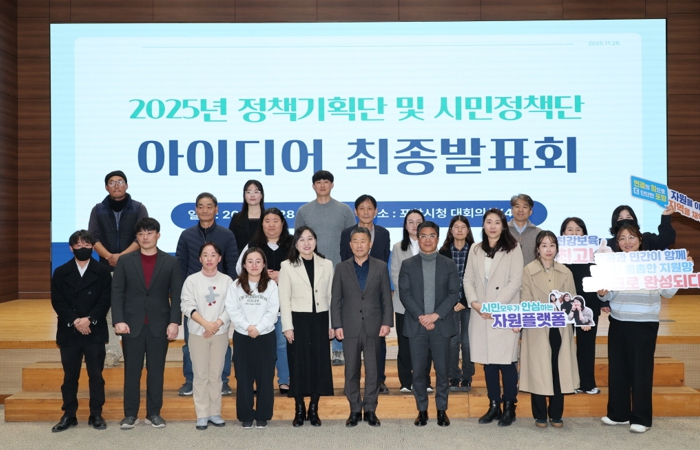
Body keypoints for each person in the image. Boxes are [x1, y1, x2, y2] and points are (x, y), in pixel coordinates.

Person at [598, 223, 679, 433]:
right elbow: (608, 295)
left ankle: (641, 418)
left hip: (644, 323)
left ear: (640, 239)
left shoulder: (653, 263)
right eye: (622, 238)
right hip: (618, 321)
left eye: (631, 237)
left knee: (641, 371)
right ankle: (618, 414)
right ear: (617, 243)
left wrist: (679, 271)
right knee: (618, 370)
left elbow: (668, 292)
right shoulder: (614, 264)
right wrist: (602, 293)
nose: (627, 242)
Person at [111, 218, 183, 429]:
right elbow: (116, 292)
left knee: (156, 371)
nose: (145, 237)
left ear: (158, 235)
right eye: (141, 233)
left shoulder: (170, 262)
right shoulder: (125, 261)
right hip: (131, 324)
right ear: (137, 237)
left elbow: (176, 295)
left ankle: (154, 413)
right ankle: (130, 414)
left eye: (149, 233)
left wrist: (174, 322)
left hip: (159, 324)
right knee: (131, 372)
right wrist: (118, 320)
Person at [464, 208, 523, 427]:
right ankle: (493, 405)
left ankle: (509, 406)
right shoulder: (475, 248)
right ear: (483, 225)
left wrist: (495, 306)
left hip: (505, 312)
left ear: (503, 225)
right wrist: (475, 303)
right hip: (481, 312)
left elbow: (515, 281)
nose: (492, 226)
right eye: (488, 222)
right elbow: (468, 279)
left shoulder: (513, 248)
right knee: (488, 363)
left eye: (497, 222)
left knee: (506, 362)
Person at [176, 192, 239, 397]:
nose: (205, 210)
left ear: (216, 209)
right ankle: (190, 379)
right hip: (195, 298)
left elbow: (232, 266)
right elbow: (180, 267)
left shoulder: (226, 235)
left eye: (209, 206)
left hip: (220, 297)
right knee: (191, 343)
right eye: (201, 206)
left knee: (222, 342)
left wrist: (230, 295)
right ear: (195, 210)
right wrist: (183, 295)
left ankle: (223, 380)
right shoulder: (186, 235)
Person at [399, 221, 460, 427]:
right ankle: (422, 411)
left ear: (438, 239)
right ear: (418, 238)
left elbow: (453, 293)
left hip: (440, 325)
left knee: (442, 371)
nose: (427, 239)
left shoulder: (448, 264)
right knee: (418, 372)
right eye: (423, 236)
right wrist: (422, 316)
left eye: (432, 235)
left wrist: (435, 315)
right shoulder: (408, 265)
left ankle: (442, 410)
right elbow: (404, 294)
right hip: (416, 326)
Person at [50, 230, 112, 432]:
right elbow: (57, 300)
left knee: (96, 376)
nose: (83, 248)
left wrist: (89, 320)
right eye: (78, 245)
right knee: (70, 377)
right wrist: (76, 321)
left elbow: (105, 300)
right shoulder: (61, 272)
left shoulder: (102, 271)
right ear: (71, 248)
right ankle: (69, 415)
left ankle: (96, 414)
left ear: (93, 247)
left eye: (87, 245)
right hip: (70, 330)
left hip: (94, 330)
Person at [331, 227, 393, 427]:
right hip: (349, 326)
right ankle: (355, 410)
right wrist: (337, 324)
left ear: (370, 244)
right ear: (350, 245)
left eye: (363, 241)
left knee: (373, 371)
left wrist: (387, 322)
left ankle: (371, 410)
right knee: (351, 370)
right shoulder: (341, 268)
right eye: (355, 241)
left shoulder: (380, 267)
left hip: (374, 325)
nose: (359, 245)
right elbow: (335, 299)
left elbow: (386, 297)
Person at [520, 230, 581, 428]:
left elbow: (573, 299)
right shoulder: (528, 270)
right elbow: (525, 299)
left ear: (557, 248)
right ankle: (539, 414)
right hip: (538, 328)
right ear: (537, 249)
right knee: (538, 369)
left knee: (558, 368)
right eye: (544, 245)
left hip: (560, 327)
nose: (548, 249)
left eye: (552, 245)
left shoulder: (566, 272)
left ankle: (556, 413)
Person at [88, 170, 148, 366]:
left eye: (120, 182)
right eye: (112, 182)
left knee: (135, 310)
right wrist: (109, 257)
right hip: (105, 268)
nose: (116, 185)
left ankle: (135, 351)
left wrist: (121, 258)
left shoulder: (138, 208)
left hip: (133, 267)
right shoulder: (98, 209)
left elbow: (142, 236)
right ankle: (113, 351)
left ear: (127, 185)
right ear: (106, 187)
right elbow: (93, 238)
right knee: (109, 311)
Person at [294, 170, 355, 365]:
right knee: (314, 307)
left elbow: (351, 240)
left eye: (326, 182)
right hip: (310, 268)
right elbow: (298, 240)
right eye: (318, 182)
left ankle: (338, 349)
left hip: (338, 267)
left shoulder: (344, 210)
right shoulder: (304, 211)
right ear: (313, 186)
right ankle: (317, 346)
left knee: (338, 306)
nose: (322, 185)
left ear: (332, 185)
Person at [279, 226, 335, 427]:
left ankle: (314, 409)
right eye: (301, 239)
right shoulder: (287, 266)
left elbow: (330, 296)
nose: (306, 243)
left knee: (318, 364)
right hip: (298, 321)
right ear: (296, 244)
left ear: (316, 241)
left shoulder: (327, 264)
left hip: (320, 319)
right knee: (299, 364)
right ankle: (299, 408)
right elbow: (284, 298)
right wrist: (287, 326)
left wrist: (331, 324)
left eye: (310, 238)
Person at [237, 207, 293, 394]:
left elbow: (301, 270)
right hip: (257, 306)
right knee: (258, 346)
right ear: (262, 224)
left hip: (285, 305)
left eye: (276, 221)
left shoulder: (292, 244)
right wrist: (260, 275)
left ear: (282, 223)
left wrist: (283, 275)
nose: (271, 225)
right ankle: (257, 382)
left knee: (283, 344)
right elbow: (239, 268)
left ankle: (284, 380)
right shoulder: (254, 244)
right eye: (267, 221)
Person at [339, 194, 391, 393]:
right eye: (362, 208)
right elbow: (344, 260)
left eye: (370, 208)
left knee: (378, 341)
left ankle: (379, 380)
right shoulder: (347, 233)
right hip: (353, 293)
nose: (366, 212)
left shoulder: (383, 233)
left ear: (376, 211)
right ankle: (351, 385)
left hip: (375, 294)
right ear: (355, 211)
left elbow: (384, 260)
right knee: (353, 346)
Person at [180, 243, 234, 431]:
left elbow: (231, 307)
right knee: (200, 374)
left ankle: (214, 413)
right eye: (205, 255)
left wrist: (216, 325)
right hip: (198, 333)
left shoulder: (227, 281)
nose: (209, 258)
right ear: (200, 258)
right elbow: (186, 305)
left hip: (220, 333)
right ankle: (202, 414)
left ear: (219, 258)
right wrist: (206, 324)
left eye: (213, 255)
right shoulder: (192, 280)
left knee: (216, 375)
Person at [227, 247, 280, 429]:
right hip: (243, 336)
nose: (254, 265)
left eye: (258, 261)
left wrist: (258, 328)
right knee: (244, 377)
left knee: (265, 377)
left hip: (265, 336)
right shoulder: (235, 285)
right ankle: (246, 415)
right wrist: (248, 327)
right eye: (250, 261)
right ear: (244, 265)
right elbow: (232, 310)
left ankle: (263, 415)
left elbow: (273, 311)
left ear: (264, 264)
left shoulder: (271, 285)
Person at [391, 210, 434, 393]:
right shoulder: (398, 247)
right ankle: (405, 382)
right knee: (405, 344)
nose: (415, 225)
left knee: (426, 345)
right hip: (404, 305)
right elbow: (395, 275)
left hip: (427, 306)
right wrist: (411, 300)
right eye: (411, 222)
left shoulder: (432, 246)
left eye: (418, 221)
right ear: (405, 225)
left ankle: (424, 380)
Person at [560, 217, 601, 394]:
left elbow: (603, 278)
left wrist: (604, 301)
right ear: (563, 233)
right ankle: (566, 382)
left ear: (584, 233)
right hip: (564, 306)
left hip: (588, 304)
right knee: (563, 345)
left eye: (578, 229)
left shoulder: (594, 253)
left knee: (587, 345)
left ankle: (587, 383)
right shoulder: (556, 253)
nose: (574, 233)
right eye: (570, 229)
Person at [438, 215, 475, 392]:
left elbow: (478, 280)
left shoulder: (476, 251)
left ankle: (467, 376)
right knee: (452, 342)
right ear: (451, 230)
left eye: (463, 227)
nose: (459, 230)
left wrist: (465, 301)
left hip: (470, 304)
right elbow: (440, 281)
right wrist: (452, 301)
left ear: (468, 230)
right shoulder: (443, 252)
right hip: (449, 305)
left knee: (467, 342)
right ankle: (453, 375)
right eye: (456, 227)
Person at [606, 204, 675, 252]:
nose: (627, 242)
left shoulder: (647, 239)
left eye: (628, 217)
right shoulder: (608, 245)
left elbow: (666, 239)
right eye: (620, 218)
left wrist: (665, 217)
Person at [229, 180, 265, 254]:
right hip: (241, 258)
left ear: (261, 195)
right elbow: (231, 243)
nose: (252, 195)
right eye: (248, 192)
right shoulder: (236, 218)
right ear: (244, 196)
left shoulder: (268, 217)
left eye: (256, 192)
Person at [507, 194, 541, 266]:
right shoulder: (503, 231)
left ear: (530, 211)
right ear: (512, 210)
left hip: (531, 273)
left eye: (525, 207)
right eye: (517, 206)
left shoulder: (538, 233)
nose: (520, 210)